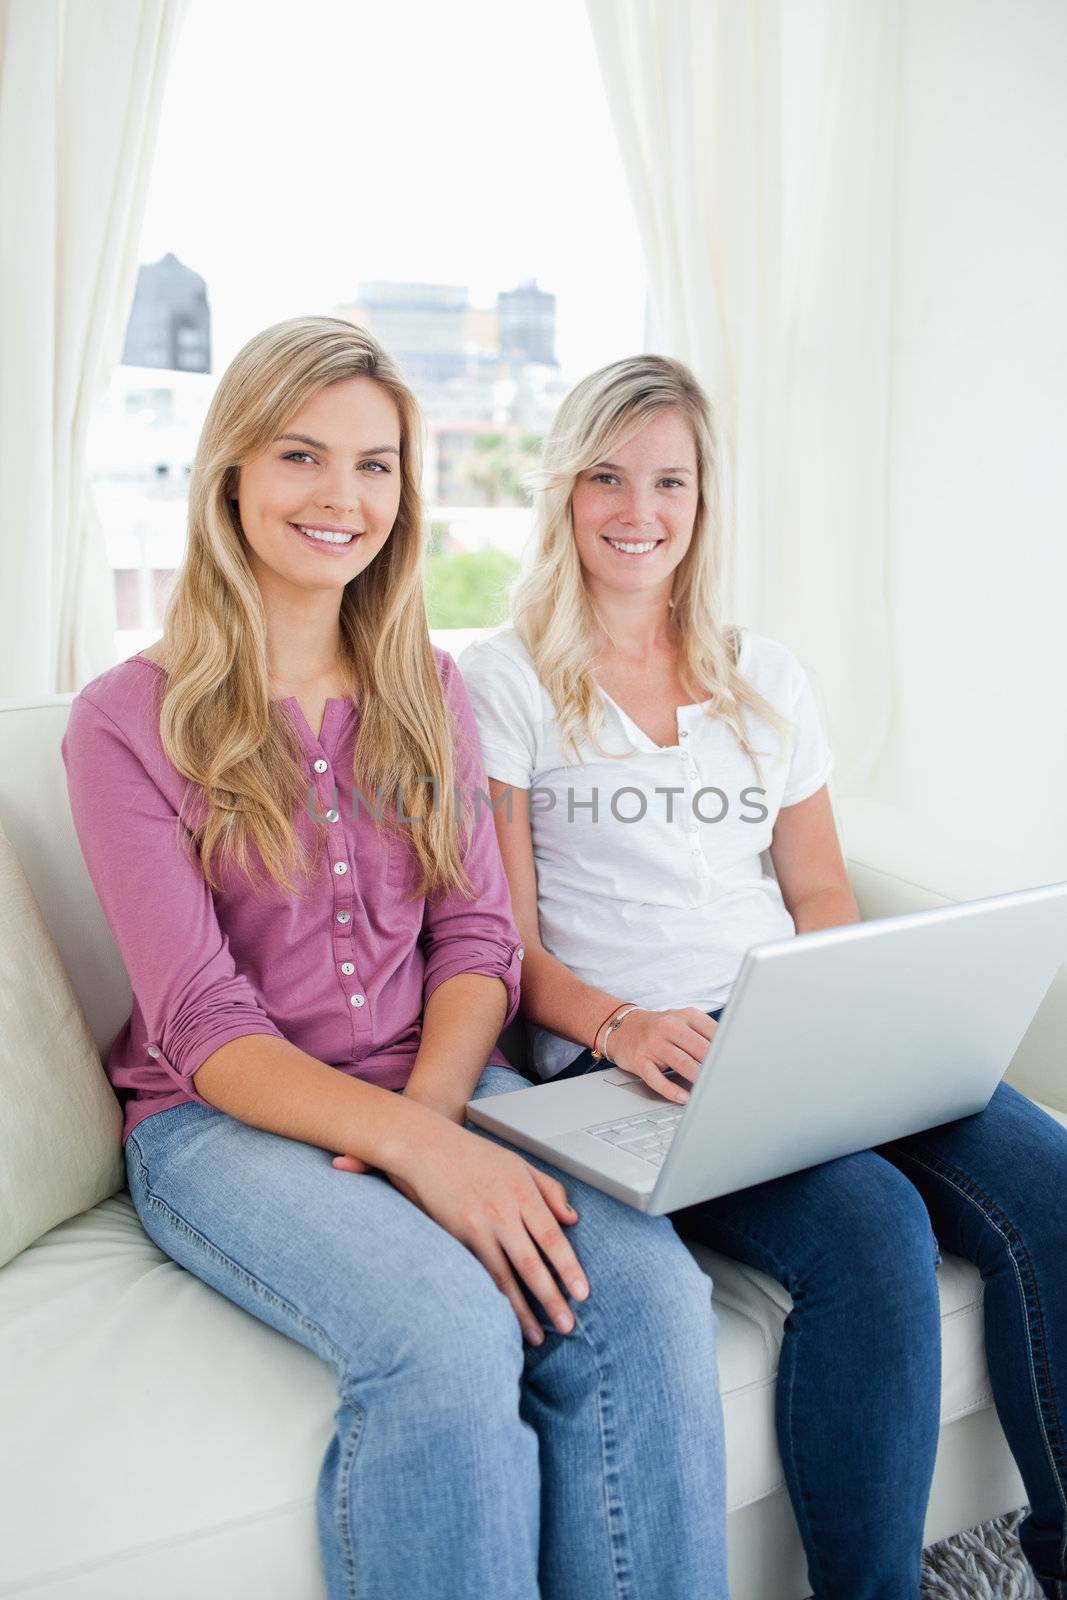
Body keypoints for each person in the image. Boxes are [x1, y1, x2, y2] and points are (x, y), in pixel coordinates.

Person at [61, 318, 731, 1600]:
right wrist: (423, 1152)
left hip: (443, 1080)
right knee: (441, 1330)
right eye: (302, 456)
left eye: (376, 466)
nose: (342, 496)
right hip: (221, 1122)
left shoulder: (432, 687)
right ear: (233, 476)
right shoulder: (123, 722)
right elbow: (201, 1022)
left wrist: (431, 1118)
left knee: (647, 1300)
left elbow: (477, 939)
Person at [455, 352, 1067, 1600]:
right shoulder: (500, 681)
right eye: (609, 478)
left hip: (795, 1020)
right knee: (873, 1232)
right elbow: (501, 945)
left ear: (702, 498)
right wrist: (621, 1025)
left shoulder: (762, 675)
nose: (639, 511)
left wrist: (831, 1007)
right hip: (625, 1049)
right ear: (565, 492)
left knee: (1049, 1180)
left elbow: (820, 891)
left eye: (668, 480)